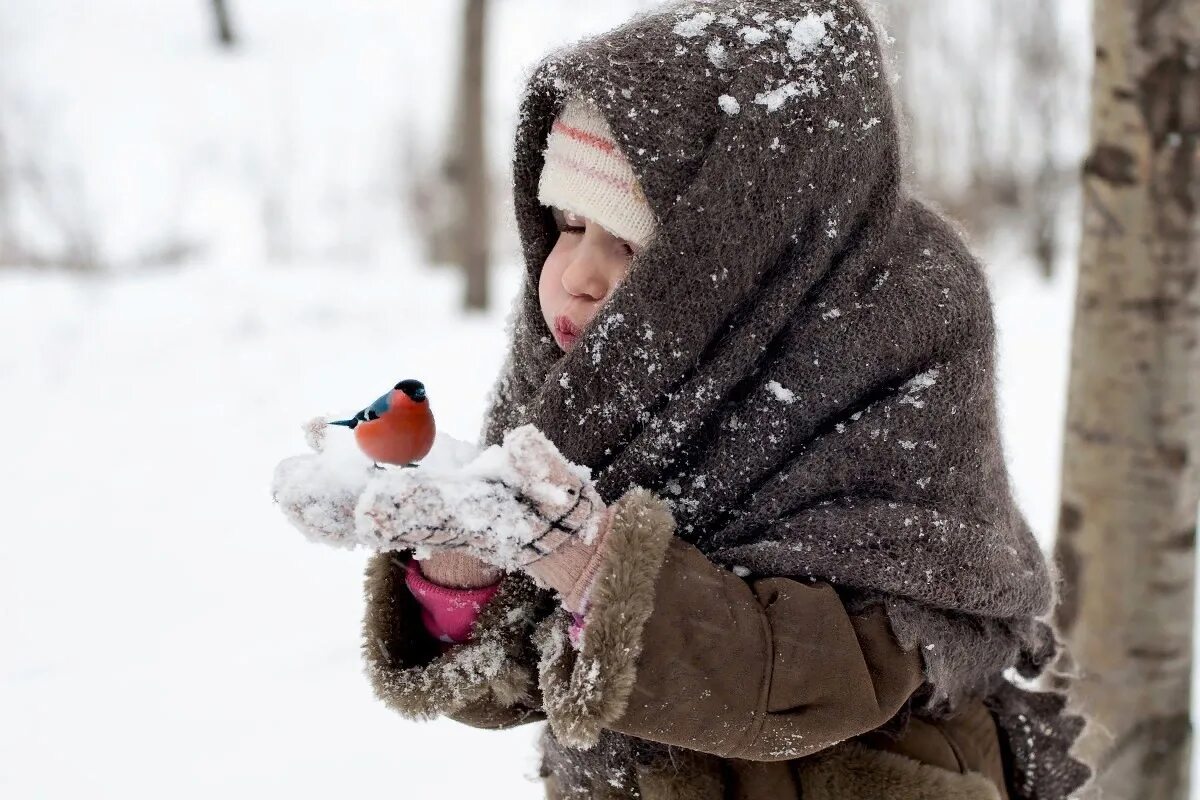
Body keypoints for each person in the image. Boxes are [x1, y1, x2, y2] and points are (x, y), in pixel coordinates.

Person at [281, 1, 1092, 797]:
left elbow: (827, 682)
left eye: (627, 242)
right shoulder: (589, 373)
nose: (576, 275)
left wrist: (598, 569)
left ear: (736, 248)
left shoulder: (896, 328)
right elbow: (530, 678)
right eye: (566, 224)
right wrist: (467, 574)